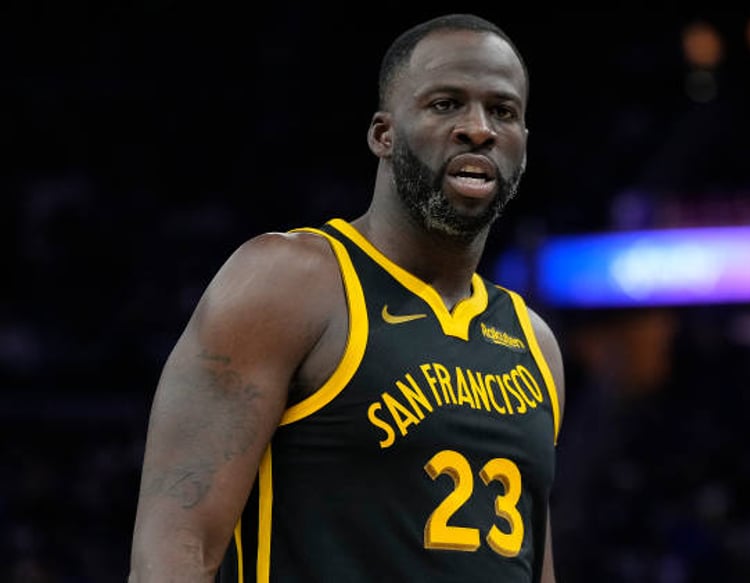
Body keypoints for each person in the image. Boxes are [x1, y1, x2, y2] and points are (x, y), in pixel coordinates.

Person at [128, 12, 565, 583]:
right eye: (445, 104)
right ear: (383, 135)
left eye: (502, 112)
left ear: (523, 145)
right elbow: (174, 551)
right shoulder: (291, 281)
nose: (477, 128)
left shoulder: (534, 343)